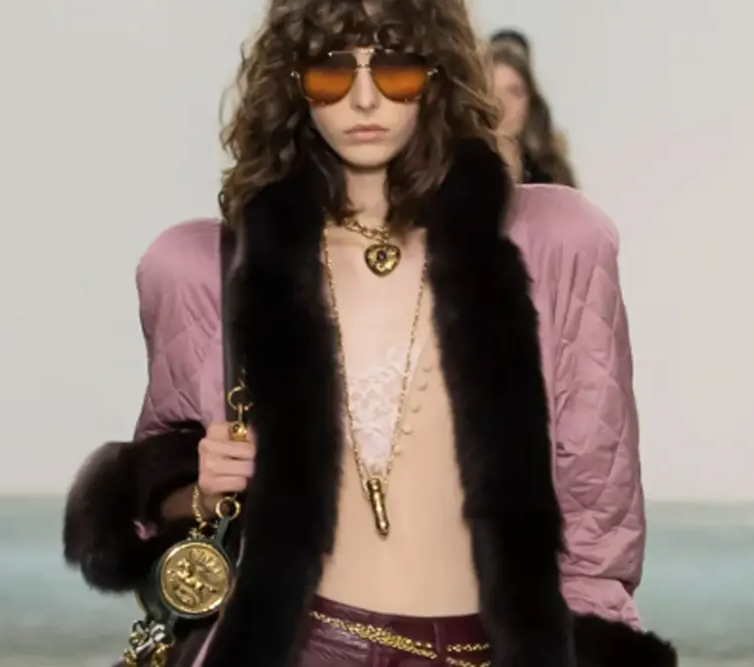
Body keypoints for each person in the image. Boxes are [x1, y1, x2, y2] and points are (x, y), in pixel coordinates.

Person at [64, 2, 674, 666]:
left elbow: (597, 512)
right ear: (294, 83)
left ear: (436, 76)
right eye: (331, 73)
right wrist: (201, 489)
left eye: (394, 69)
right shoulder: (203, 270)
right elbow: (148, 511)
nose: (363, 99)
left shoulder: (556, 241)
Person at [489, 42, 577, 186]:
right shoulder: (458, 172)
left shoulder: (550, 174)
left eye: (514, 92)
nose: (503, 104)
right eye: (492, 92)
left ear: (530, 101)